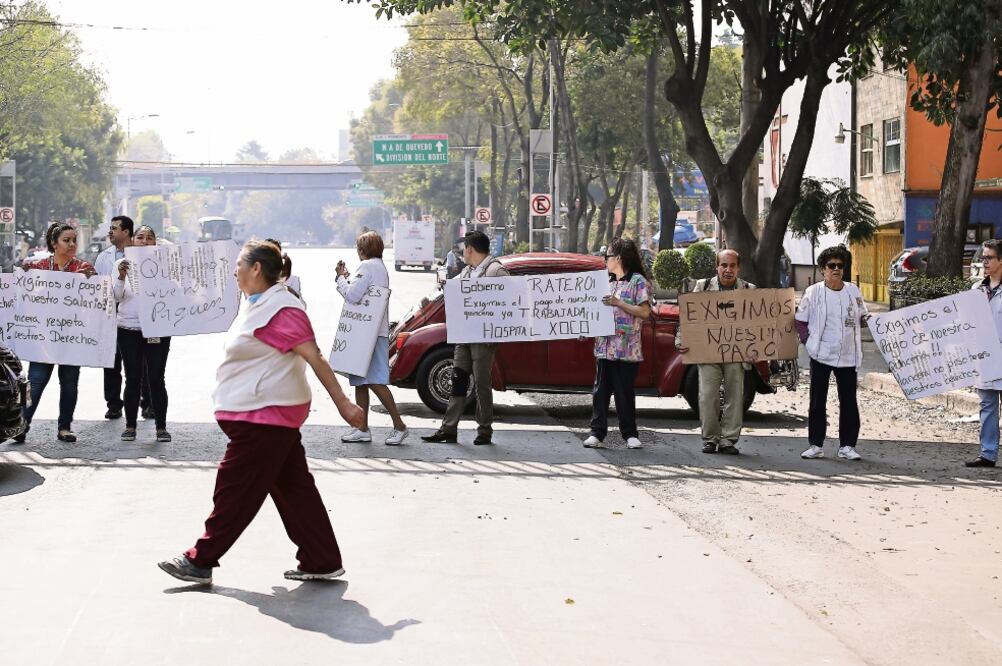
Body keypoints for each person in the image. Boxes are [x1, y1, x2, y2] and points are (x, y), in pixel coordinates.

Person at [158, 240, 364, 585]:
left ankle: (201, 558)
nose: (234, 271)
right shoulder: (258, 305)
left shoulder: (283, 309)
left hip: (265, 418)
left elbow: (315, 357)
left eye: (239, 264)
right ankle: (322, 558)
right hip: (263, 416)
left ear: (256, 269)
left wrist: (343, 403)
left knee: (234, 489)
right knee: (295, 489)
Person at [422, 230, 509, 446]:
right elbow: (454, 291)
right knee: (458, 380)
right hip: (464, 336)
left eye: (464, 250)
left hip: (483, 338)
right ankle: (448, 429)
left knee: (481, 384)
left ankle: (484, 431)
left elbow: (510, 304)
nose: (462, 254)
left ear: (470, 249)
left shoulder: (496, 271)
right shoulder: (468, 271)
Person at [16, 222, 96, 444]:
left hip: (72, 337)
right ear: (54, 243)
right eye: (66, 240)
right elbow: (23, 297)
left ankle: (65, 427)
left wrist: (93, 281)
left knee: (69, 382)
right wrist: (23, 279)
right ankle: (21, 425)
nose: (72, 244)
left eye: (74, 240)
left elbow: (95, 303)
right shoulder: (38, 267)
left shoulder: (84, 269)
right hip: (44, 338)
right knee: (35, 382)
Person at [675, 249, 755, 454]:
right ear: (717, 266)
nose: (728, 270)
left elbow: (757, 324)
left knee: (734, 396)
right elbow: (688, 316)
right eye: (724, 265)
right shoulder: (702, 287)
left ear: (738, 268)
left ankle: (728, 440)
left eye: (732, 266)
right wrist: (681, 340)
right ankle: (710, 438)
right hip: (708, 350)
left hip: (736, 352)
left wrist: (755, 349)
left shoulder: (749, 289)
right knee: (708, 395)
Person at [335, 231, 409, 446]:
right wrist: (349, 279)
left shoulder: (367, 267)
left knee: (374, 381)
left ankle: (400, 426)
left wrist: (340, 278)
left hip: (369, 334)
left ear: (362, 250)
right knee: (361, 382)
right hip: (372, 331)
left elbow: (353, 295)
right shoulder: (380, 268)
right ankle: (362, 427)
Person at [795, 245, 868, 461]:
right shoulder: (813, 292)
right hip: (820, 354)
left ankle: (847, 446)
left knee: (849, 401)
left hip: (847, 355)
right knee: (818, 401)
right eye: (831, 265)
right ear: (823, 269)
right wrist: (809, 343)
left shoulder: (853, 291)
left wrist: (875, 322)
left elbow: (862, 316)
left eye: (840, 265)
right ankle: (815, 444)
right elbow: (800, 321)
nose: (836, 269)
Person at [582, 237, 652, 450]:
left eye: (608, 255)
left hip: (627, 348)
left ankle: (630, 434)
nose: (605, 259)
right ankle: (597, 432)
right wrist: (586, 330)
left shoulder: (637, 281)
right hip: (604, 347)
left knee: (624, 393)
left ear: (619, 258)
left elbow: (645, 312)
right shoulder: (606, 282)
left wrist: (619, 303)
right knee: (600, 392)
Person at [113, 225, 173, 443]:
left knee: (156, 378)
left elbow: (176, 294)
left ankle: (161, 427)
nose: (145, 241)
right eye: (140, 237)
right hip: (128, 329)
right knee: (132, 378)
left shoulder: (166, 265)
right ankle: (130, 426)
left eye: (150, 237)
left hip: (157, 329)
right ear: (132, 240)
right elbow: (116, 297)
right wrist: (121, 277)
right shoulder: (121, 264)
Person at [95, 215, 134, 421]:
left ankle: (144, 402)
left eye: (114, 228)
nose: (110, 232)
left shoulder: (139, 254)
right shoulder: (103, 257)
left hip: (132, 313)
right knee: (110, 361)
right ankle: (113, 403)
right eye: (110, 228)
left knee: (136, 361)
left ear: (126, 232)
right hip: (109, 314)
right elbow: (97, 285)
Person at [968, 239, 1002, 468]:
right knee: (987, 406)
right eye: (983, 257)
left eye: (989, 257)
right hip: (986, 357)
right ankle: (988, 453)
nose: (984, 261)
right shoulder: (976, 289)